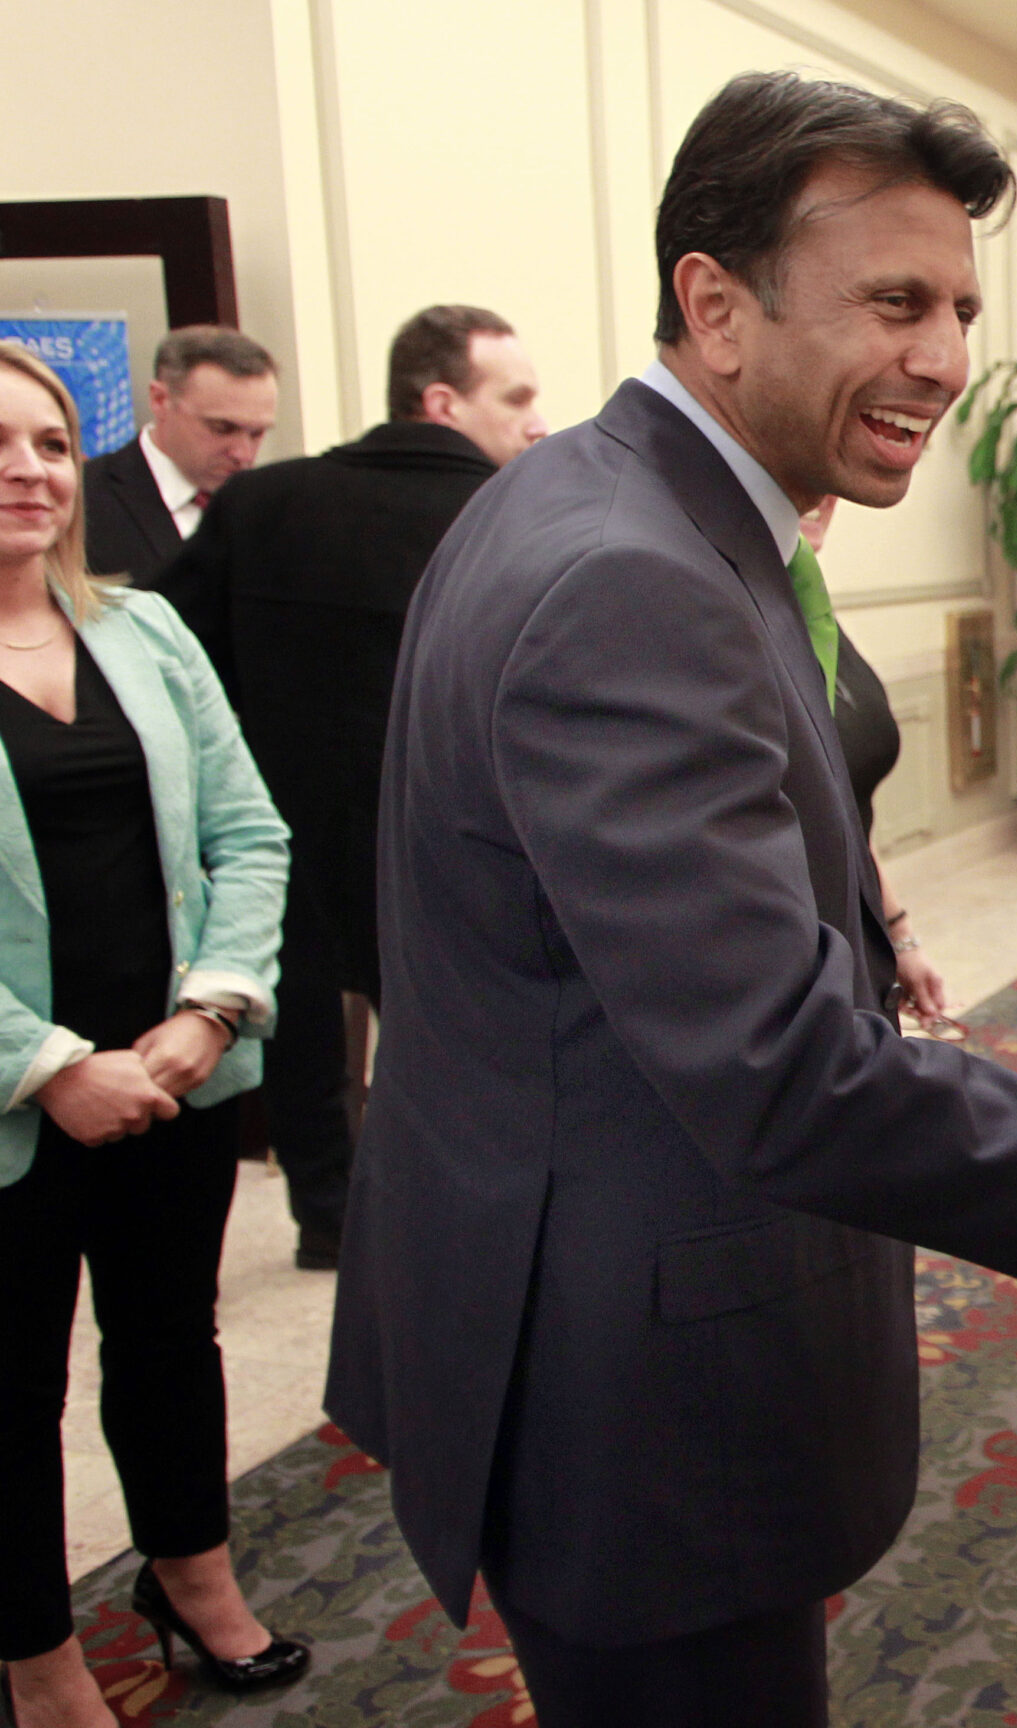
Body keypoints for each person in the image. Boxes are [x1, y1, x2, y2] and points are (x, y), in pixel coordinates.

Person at [322, 72, 1017, 1728]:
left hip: (575, 1297)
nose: (945, 358)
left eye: (964, 307)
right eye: (896, 301)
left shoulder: (609, 509)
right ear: (716, 303)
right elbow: (783, 1073)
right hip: (640, 1393)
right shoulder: (633, 571)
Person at [0, 344, 298, 1725]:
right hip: (20, 1103)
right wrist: (50, 1066)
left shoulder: (146, 630)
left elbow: (250, 834)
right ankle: (39, 1662)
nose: (29, 471)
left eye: (53, 444)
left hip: (178, 1072)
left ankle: (191, 1578)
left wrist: (208, 1011)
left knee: (172, 1339)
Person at [151, 305, 545, 1273]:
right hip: (459, 849)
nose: (539, 421)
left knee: (302, 1033)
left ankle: (328, 1214)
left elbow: (175, 664)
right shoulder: (518, 518)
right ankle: (455, 1220)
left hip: (283, 834)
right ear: (441, 400)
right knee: (454, 1042)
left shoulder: (259, 504)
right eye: (519, 397)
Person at [798, 496, 951, 1027]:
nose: (820, 497)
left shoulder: (807, 600)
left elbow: (848, 807)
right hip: (798, 958)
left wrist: (899, 933)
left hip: (857, 933)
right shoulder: (737, 611)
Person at [80, 327, 277, 596]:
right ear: (160, 400)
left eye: (257, 433)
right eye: (221, 428)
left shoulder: (272, 506)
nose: (242, 453)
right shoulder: (81, 500)